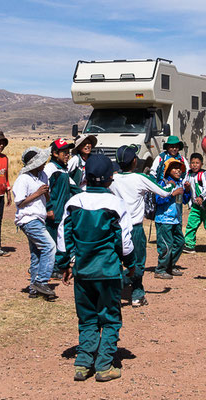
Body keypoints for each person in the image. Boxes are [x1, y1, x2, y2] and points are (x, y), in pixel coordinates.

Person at [57, 154, 134, 382]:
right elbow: (125, 242)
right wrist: (129, 264)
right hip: (108, 271)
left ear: (85, 177)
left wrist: (65, 265)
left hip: (83, 271)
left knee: (87, 317)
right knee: (110, 318)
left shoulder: (74, 203)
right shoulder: (115, 204)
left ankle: (83, 364)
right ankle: (104, 365)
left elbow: (63, 238)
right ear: (110, 178)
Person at [109, 145, 182, 307]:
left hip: (115, 228)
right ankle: (121, 287)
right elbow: (163, 192)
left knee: (117, 261)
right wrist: (171, 184)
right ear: (134, 161)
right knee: (138, 263)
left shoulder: (112, 179)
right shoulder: (139, 178)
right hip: (134, 228)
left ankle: (136, 293)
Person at [12, 147, 57, 299]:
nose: (44, 163)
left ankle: (34, 288)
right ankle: (42, 282)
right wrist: (37, 193)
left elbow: (46, 198)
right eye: (41, 161)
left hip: (39, 217)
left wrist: (45, 193)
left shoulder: (43, 175)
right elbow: (20, 202)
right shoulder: (23, 179)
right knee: (49, 247)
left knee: (37, 253)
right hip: (28, 219)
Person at [44, 138, 82, 279]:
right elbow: (44, 189)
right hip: (53, 212)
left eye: (68, 152)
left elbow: (74, 188)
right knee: (52, 242)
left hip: (62, 213)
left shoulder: (63, 170)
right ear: (55, 153)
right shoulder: (50, 169)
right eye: (64, 152)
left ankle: (58, 267)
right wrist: (49, 208)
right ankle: (52, 269)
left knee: (60, 240)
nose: (67, 155)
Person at [154, 158, 192, 279]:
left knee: (180, 242)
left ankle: (170, 265)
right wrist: (172, 194)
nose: (178, 171)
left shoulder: (180, 182)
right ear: (167, 170)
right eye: (174, 168)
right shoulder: (163, 183)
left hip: (176, 219)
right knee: (166, 245)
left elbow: (184, 201)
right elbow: (158, 200)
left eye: (179, 169)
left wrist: (186, 191)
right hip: (164, 219)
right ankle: (160, 270)